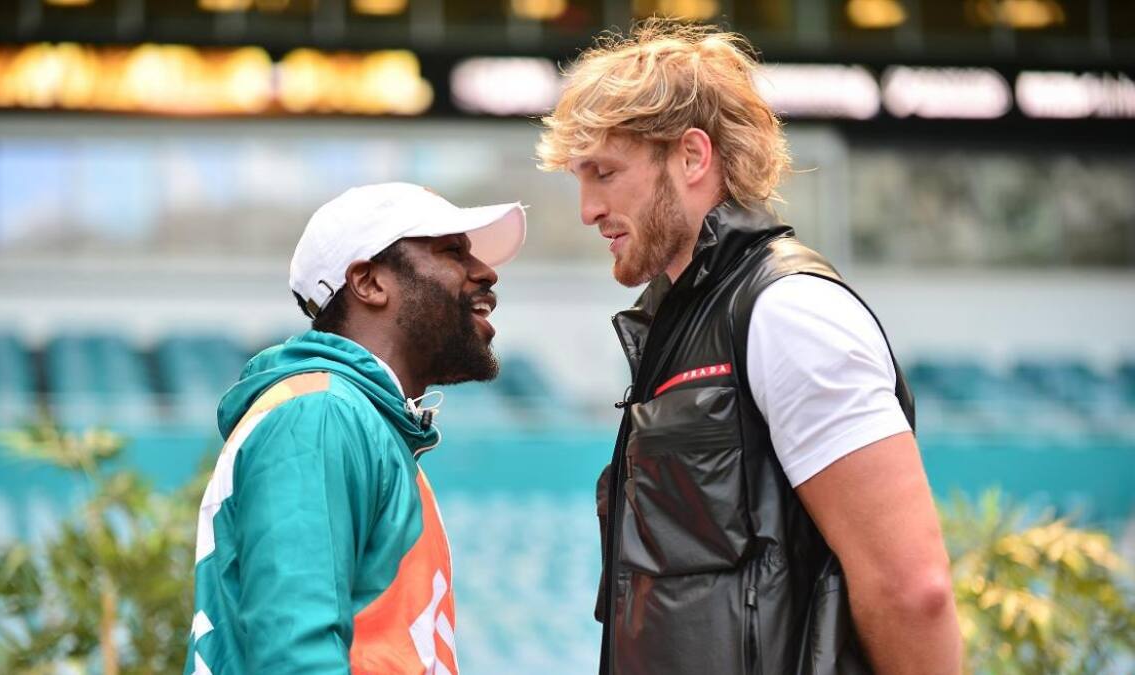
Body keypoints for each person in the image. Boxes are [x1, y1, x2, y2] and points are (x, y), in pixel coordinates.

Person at [537, 21, 961, 675]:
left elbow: (913, 590)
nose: (588, 208)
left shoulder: (790, 313)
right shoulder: (679, 321)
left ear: (692, 156)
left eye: (605, 173)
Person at [183, 183, 526, 675]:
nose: (485, 272)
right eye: (452, 251)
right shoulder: (318, 414)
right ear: (369, 283)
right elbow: (296, 656)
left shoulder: (358, 421)